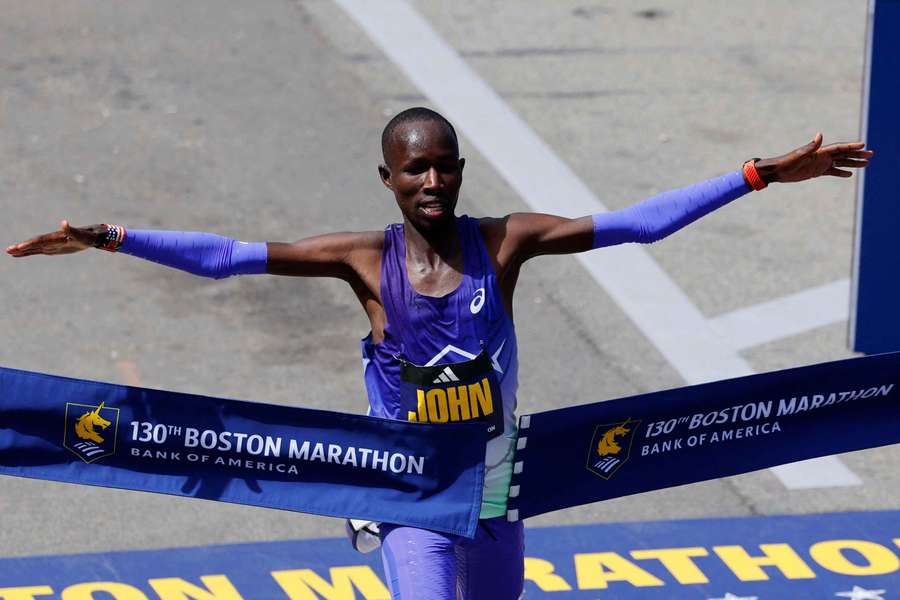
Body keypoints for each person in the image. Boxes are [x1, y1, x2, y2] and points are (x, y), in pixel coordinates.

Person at [6, 107, 872, 599]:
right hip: (412, 497)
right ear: (387, 178)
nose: (431, 182)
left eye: (444, 168)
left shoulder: (505, 244)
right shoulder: (360, 260)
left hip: (500, 491)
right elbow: (228, 256)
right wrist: (113, 237)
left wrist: (757, 175)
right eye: (413, 170)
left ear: (459, 170)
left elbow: (639, 222)